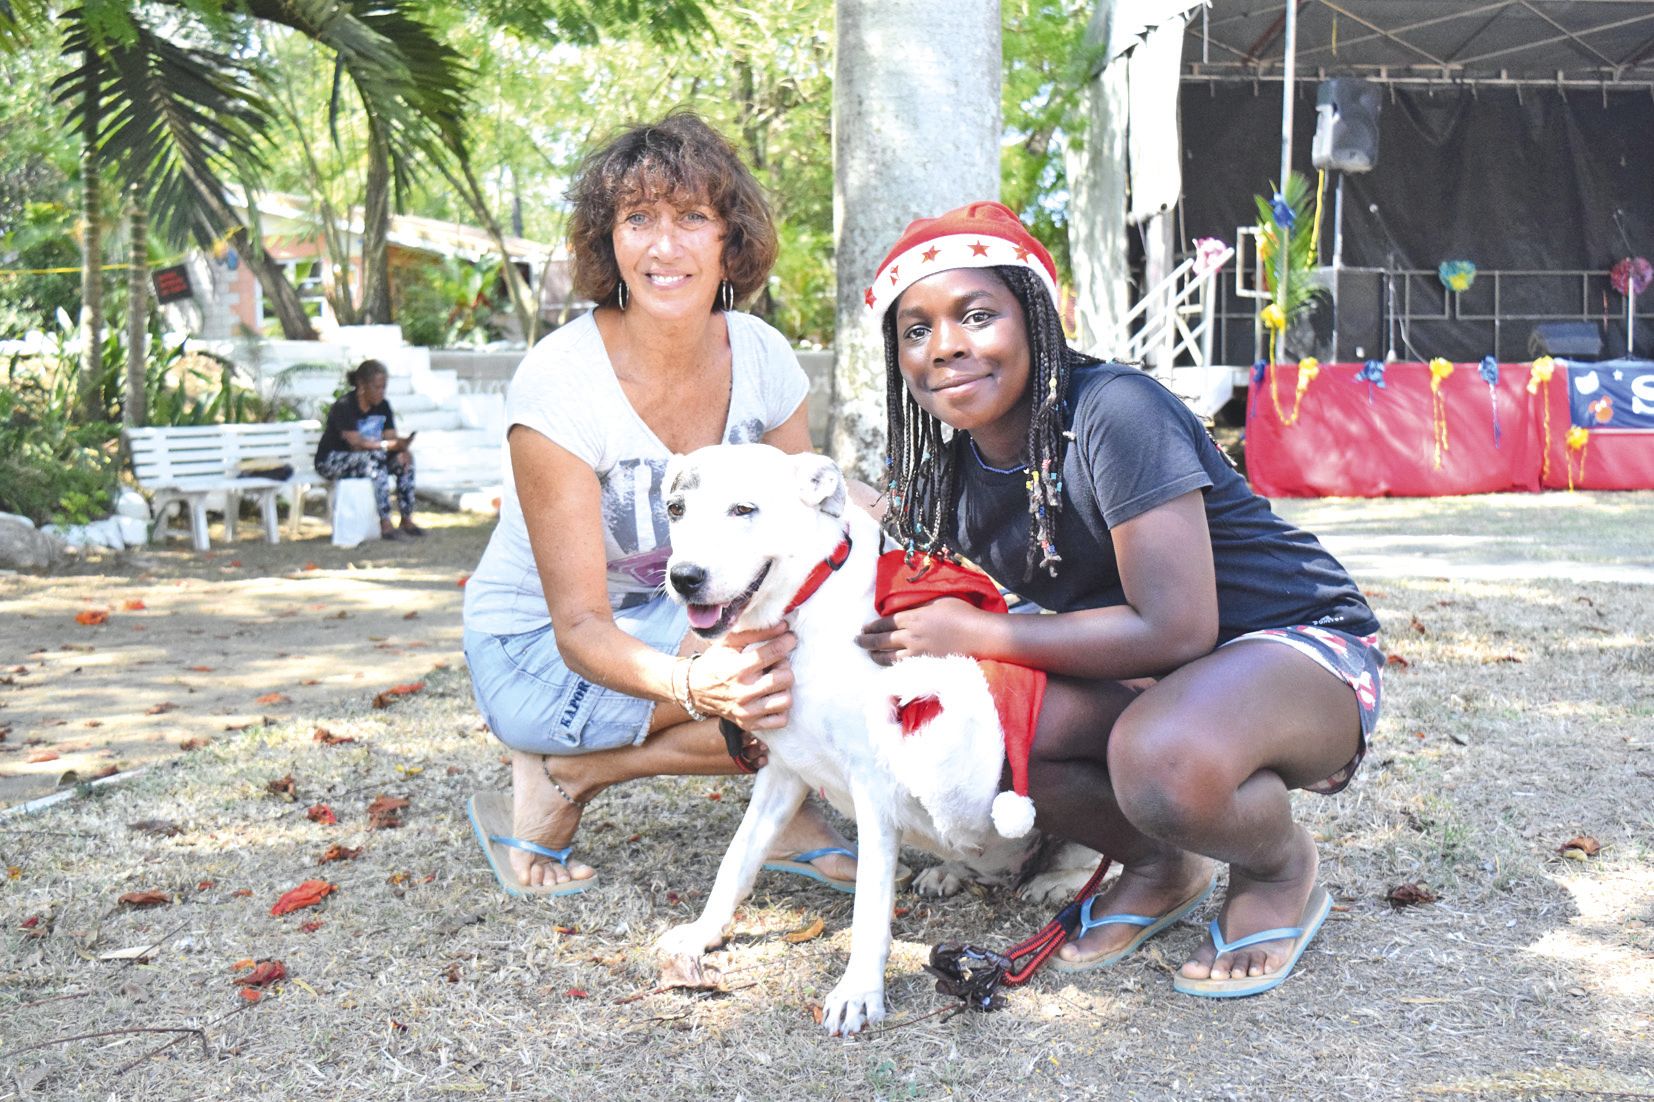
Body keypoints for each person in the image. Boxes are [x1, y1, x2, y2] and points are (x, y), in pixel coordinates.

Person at [855, 201, 1383, 997]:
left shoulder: (1114, 413)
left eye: (976, 314)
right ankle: (1160, 863)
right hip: (1167, 683)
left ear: (1036, 317)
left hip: (1296, 652)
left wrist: (973, 632)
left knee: (1159, 759)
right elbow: (886, 557)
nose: (948, 346)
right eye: (916, 330)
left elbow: (1178, 626)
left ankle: (1278, 866)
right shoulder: (949, 474)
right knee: (993, 721)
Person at [460, 111, 861, 897]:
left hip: (682, 619)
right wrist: (691, 687)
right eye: (637, 219)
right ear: (607, 241)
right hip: (541, 647)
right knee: (775, 678)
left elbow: (801, 537)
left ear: (729, 239)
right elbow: (578, 626)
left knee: (817, 642)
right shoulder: (560, 385)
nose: (663, 245)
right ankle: (563, 771)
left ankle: (591, 774)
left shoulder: (762, 356)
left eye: (691, 218)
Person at [314, 359, 424, 541]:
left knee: (405, 461)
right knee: (375, 461)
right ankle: (385, 522)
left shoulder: (384, 406)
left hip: (370, 458)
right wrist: (387, 446)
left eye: (384, 387)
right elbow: (355, 443)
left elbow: (390, 437)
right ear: (362, 385)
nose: (381, 392)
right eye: (377, 387)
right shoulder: (345, 406)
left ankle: (406, 517)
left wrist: (400, 448)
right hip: (333, 460)